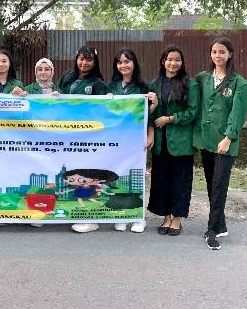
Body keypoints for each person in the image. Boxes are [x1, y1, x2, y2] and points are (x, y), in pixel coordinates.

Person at [194, 38, 247, 250]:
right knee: (211, 185)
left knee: (219, 185)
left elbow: (238, 113)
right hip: (206, 141)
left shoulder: (239, 83)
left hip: (225, 142)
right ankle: (221, 224)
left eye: (222, 52)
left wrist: (228, 138)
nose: (218, 56)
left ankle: (211, 230)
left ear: (230, 55)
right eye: (214, 52)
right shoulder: (202, 78)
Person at [147, 45, 200, 237]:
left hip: (181, 142)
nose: (173, 63)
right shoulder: (154, 83)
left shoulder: (190, 84)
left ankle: (177, 219)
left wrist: (170, 119)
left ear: (182, 62)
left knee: (180, 181)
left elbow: (193, 111)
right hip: (160, 143)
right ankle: (166, 216)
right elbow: (149, 112)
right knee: (161, 180)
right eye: (169, 59)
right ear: (163, 61)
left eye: (177, 59)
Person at [105, 48, 157, 233]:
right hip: (115, 140)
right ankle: (121, 215)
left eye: (127, 61)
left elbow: (148, 114)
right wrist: (105, 100)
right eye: (119, 62)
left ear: (134, 63)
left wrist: (151, 133)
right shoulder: (110, 86)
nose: (123, 65)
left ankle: (137, 217)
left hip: (136, 140)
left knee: (135, 176)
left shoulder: (144, 86)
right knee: (117, 176)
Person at [57, 46, 107, 233]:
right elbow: (57, 100)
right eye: (81, 58)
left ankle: (91, 218)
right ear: (76, 59)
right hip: (66, 134)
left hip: (87, 136)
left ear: (95, 62)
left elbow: (102, 111)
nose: (84, 63)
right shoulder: (67, 77)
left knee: (87, 175)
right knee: (71, 173)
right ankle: (73, 212)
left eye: (89, 60)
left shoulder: (98, 83)